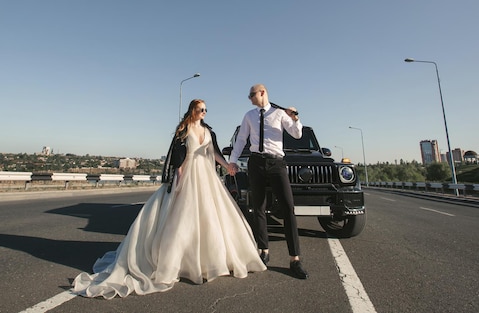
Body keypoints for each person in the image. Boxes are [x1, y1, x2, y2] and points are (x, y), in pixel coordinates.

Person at [72, 99, 266, 299]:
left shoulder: (209, 131)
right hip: (189, 175)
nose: (204, 112)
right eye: (201, 109)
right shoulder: (183, 130)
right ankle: (177, 262)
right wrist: (178, 182)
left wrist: (227, 167)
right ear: (192, 110)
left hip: (207, 177)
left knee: (211, 217)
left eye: (206, 110)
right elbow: (178, 159)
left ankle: (211, 262)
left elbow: (214, 152)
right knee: (181, 219)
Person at [227, 84, 309, 279]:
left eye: (252, 94)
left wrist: (295, 118)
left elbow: (297, 134)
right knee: (259, 208)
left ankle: (295, 259)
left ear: (262, 93)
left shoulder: (280, 114)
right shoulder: (249, 116)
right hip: (256, 163)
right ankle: (263, 251)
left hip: (277, 163)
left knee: (288, 208)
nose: (249, 98)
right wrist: (232, 161)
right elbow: (241, 140)